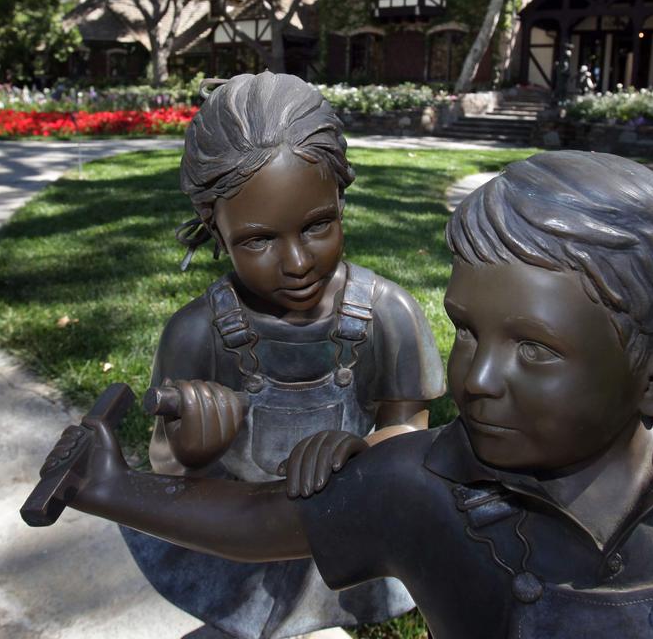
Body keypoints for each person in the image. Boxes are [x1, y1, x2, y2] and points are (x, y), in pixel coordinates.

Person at [36, 151, 653, 639]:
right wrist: (109, 486)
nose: (474, 378)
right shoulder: (424, 483)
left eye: (535, 350)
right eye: (467, 331)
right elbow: (259, 522)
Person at [122, 71, 444, 639]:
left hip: (343, 538)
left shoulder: (388, 314)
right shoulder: (196, 334)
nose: (296, 262)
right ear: (214, 231)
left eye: (318, 225)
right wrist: (189, 451)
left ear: (340, 197)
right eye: (258, 239)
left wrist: (362, 453)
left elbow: (409, 430)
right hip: (236, 542)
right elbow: (165, 464)